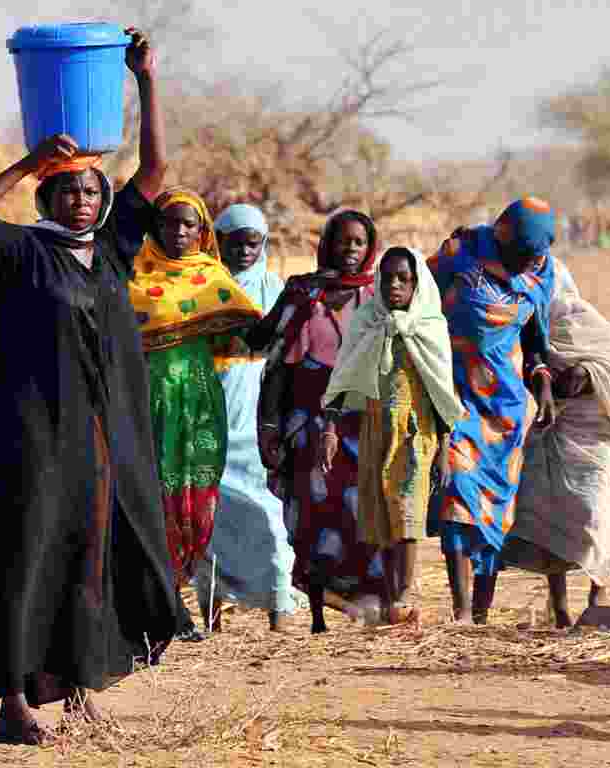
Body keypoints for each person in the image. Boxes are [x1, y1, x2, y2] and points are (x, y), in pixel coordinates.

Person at [0, 29, 177, 745]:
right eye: (66, 189)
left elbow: (157, 170)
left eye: (89, 188)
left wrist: (146, 79)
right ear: (48, 192)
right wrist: (27, 160)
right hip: (33, 441)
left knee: (88, 556)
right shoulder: (20, 251)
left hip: (101, 442)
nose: (80, 199)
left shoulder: (110, 249)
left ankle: (78, 686)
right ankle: (13, 701)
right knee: (24, 560)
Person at [129, 188, 261, 642]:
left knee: (198, 499)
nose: (180, 232)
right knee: (151, 497)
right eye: (170, 223)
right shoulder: (133, 271)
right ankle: (162, 606)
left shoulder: (212, 276)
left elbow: (248, 339)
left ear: (202, 230)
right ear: (155, 227)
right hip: (147, 399)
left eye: (189, 224)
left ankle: (179, 597)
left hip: (201, 403)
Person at [248, 209, 385, 634]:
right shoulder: (302, 292)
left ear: (369, 247)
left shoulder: (383, 295)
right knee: (313, 513)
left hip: (362, 422)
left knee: (363, 514)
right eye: (342, 240)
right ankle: (317, 613)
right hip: (306, 421)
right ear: (327, 244)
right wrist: (270, 426)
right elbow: (275, 361)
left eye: (358, 242)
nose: (350, 249)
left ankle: (366, 604)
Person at [427, 197, 557, 625]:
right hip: (456, 397)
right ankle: (461, 610)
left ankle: (481, 610)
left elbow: (537, 336)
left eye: (534, 254)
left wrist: (543, 381)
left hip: (506, 410)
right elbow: (416, 301)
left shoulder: (541, 271)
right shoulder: (458, 255)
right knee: (458, 496)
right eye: (521, 252)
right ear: (502, 235)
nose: (527, 262)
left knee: (494, 512)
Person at [320, 247, 465, 625]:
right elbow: (343, 376)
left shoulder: (430, 327)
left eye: (404, 278)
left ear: (417, 283)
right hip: (375, 431)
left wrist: (445, 446)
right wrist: (331, 428)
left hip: (416, 432)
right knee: (380, 513)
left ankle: (405, 592)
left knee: (408, 509)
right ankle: (389, 595)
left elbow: (441, 391)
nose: (396, 285)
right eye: (388, 278)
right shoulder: (367, 323)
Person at [501, 261, 610, 628]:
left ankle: (599, 598)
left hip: (595, 442)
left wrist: (584, 374)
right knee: (551, 521)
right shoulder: (534, 334)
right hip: (555, 437)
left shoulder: (596, 332)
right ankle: (560, 607)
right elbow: (534, 373)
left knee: (597, 518)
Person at [193, 203, 301, 633]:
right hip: (210, 410)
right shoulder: (201, 288)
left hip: (259, 410)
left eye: (251, 242)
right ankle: (212, 617)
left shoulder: (275, 289)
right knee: (213, 521)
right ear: (217, 243)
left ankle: (280, 612)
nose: (242, 251)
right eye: (233, 242)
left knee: (269, 519)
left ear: (264, 244)